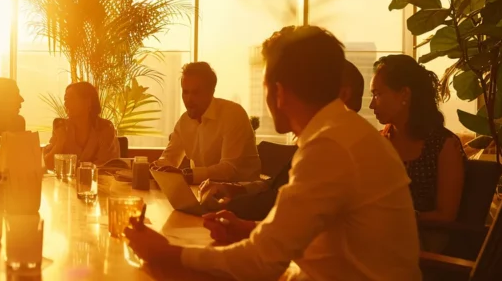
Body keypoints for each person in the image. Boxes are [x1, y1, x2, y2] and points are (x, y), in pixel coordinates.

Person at [124, 26, 421, 281]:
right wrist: (251, 228)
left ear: (277, 92)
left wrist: (170, 252)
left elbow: (262, 263)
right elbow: (328, 233)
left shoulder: (330, 146)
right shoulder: (344, 132)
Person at [197, 59, 366, 215]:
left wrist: (226, 207)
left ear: (343, 95)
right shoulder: (325, 135)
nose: (279, 101)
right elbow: (277, 186)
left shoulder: (336, 145)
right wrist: (236, 189)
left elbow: (282, 206)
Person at [371, 54, 465, 223]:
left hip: (428, 236)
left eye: (377, 94)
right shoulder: (379, 142)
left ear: (404, 94)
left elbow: (446, 215)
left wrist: (399, 219)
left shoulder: (443, 145)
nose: (371, 104)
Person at [151, 62, 261, 184]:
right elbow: (169, 158)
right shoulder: (184, 121)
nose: (188, 99)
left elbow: (229, 169)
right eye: (185, 92)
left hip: (244, 195)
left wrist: (187, 175)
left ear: (211, 91)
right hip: (205, 193)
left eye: (196, 93)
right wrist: (153, 168)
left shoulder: (233, 114)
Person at [44, 82, 120, 167]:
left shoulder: (104, 128)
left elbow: (104, 165)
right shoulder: (62, 126)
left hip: (98, 179)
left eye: (71, 99)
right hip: (67, 180)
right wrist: (60, 142)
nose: (66, 104)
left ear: (88, 102)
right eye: (66, 100)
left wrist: (73, 166)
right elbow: (49, 164)